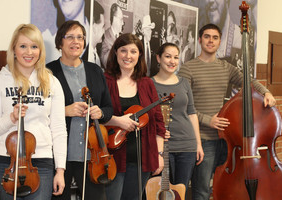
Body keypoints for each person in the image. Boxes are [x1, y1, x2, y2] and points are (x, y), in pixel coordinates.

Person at [178, 23, 276, 200]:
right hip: (203, 139)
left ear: (219, 42)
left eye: (215, 38)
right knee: (201, 190)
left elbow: (249, 81)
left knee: (225, 186)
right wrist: (208, 120)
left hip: (227, 140)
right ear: (200, 40)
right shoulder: (188, 68)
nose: (211, 41)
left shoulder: (226, 68)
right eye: (207, 36)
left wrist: (266, 92)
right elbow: (182, 105)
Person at [0, 24, 67, 199]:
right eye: (23, 46)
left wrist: (60, 170)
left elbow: (59, 129)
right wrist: (11, 118)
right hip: (6, 162)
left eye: (34, 46)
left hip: (42, 162)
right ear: (14, 49)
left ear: (40, 51)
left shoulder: (52, 83)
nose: (29, 52)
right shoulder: (0, 81)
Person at [46, 20, 113, 200]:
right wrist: (64, 111)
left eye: (80, 37)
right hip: (59, 157)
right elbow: (39, 111)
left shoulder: (95, 70)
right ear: (60, 42)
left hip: (92, 157)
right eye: (70, 37)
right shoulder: (47, 72)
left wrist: (101, 113)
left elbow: (109, 108)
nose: (76, 42)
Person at [103, 33, 166, 200]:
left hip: (142, 160)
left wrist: (159, 155)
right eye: (123, 50)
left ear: (139, 55)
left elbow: (159, 122)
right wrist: (117, 121)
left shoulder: (147, 83)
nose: (128, 56)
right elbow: (97, 115)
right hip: (111, 157)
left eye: (133, 51)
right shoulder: (105, 81)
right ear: (115, 52)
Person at [152, 43, 204, 195]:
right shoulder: (149, 84)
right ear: (158, 58)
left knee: (180, 193)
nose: (172, 61)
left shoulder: (184, 83)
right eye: (168, 56)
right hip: (161, 149)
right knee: (160, 194)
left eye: (176, 57)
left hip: (186, 146)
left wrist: (198, 144)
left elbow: (192, 113)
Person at [100, 3, 124, 69]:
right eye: (121, 19)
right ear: (115, 19)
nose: (122, 23)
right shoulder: (105, 36)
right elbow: (105, 62)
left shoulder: (121, 37)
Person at [88, 1, 105, 67]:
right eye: (102, 26)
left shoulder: (95, 53)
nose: (104, 31)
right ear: (94, 28)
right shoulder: (85, 57)